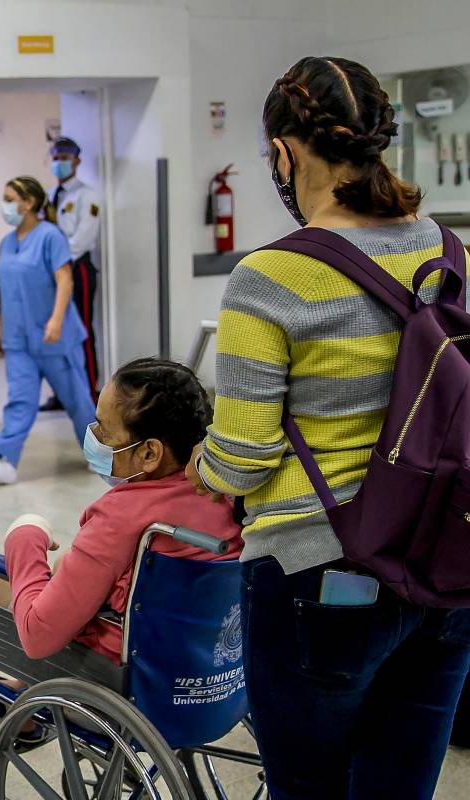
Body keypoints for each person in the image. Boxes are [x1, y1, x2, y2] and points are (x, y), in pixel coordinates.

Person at [186, 57, 470, 799]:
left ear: (284, 153)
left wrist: (200, 470)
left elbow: (242, 458)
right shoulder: (454, 253)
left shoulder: (269, 278)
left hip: (326, 578)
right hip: (449, 565)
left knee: (310, 788)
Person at [0, 358, 243, 762]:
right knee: (68, 576)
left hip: (124, 689)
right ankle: (19, 699)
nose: (92, 437)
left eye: (104, 431)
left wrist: (25, 539)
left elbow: (39, 636)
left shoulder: (121, 516)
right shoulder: (226, 497)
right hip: (207, 685)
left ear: (149, 453)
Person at [0, 177, 96, 485]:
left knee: (78, 401)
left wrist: (56, 320)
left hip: (56, 337)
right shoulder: (6, 243)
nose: (4, 204)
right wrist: (1, 328)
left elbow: (65, 279)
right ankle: (5, 460)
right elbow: (8, 290)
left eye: (9, 197)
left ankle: (103, 458)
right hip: (19, 340)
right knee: (19, 400)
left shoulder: (50, 236)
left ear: (27, 203)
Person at [40, 137, 102, 411]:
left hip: (77, 269)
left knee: (82, 330)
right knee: (58, 331)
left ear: (77, 161)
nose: (59, 163)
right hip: (54, 270)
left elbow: (83, 238)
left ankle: (88, 392)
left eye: (64, 158)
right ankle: (62, 392)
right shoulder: (50, 197)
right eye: (55, 158)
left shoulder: (87, 196)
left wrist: (60, 261)